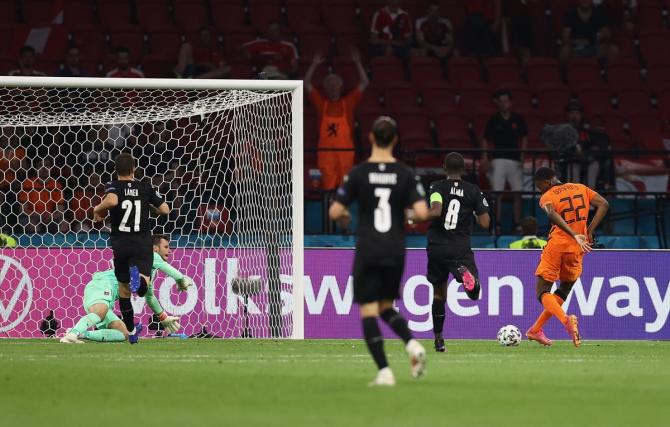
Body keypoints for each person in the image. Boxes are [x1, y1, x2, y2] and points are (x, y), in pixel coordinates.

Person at [328, 116, 430, 386]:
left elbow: (335, 210)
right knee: (386, 306)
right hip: (395, 248)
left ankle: (385, 372)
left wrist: (345, 217)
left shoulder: (358, 173)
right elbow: (421, 212)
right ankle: (412, 345)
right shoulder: (406, 173)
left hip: (369, 247)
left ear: (371, 138)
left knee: (369, 310)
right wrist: (403, 215)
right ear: (395, 140)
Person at [526, 167, 609, 347]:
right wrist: (588, 231)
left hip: (558, 245)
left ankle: (565, 320)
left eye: (539, 186)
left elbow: (551, 213)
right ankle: (535, 330)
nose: (540, 189)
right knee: (563, 289)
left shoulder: (547, 196)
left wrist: (572, 233)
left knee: (542, 291)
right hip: (578, 247)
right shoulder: (581, 188)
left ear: (547, 181)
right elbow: (604, 204)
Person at [93, 153, 169, 343]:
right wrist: (149, 208)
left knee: (123, 290)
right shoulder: (144, 186)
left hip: (121, 243)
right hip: (142, 243)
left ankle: (131, 331)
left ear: (116, 170)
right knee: (143, 289)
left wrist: (96, 210)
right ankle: (139, 281)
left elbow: (111, 201)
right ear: (134, 169)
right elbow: (165, 210)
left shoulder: (113, 186)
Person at [61, 234, 194, 344]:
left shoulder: (147, 271)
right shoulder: (152, 256)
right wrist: (181, 280)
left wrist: (163, 317)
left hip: (102, 292)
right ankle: (72, 334)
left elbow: (149, 297)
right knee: (100, 312)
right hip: (103, 285)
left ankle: (80, 333)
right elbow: (176, 274)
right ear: (155, 248)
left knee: (123, 333)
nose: (169, 251)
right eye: (165, 247)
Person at [425, 152, 490, 353]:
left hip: (436, 246)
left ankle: (439, 340)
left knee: (438, 294)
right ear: (463, 170)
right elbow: (485, 223)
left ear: (444, 167)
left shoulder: (436, 187)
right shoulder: (473, 191)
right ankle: (465, 274)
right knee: (474, 293)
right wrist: (472, 211)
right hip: (459, 247)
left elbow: (435, 210)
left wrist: (412, 217)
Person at [305, 49, 369, 191]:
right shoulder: (321, 104)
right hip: (326, 155)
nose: (333, 86)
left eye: (335, 84)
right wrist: (314, 64)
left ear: (340, 86)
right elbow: (307, 83)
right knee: (328, 191)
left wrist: (358, 63)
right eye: (329, 84)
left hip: (345, 153)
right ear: (325, 88)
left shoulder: (349, 102)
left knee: (345, 191)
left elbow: (365, 82)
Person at [481, 89, 528, 233]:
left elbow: (524, 137)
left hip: (515, 161)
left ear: (510, 102)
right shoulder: (493, 120)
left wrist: (522, 155)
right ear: (497, 103)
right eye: (501, 101)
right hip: (498, 160)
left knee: (517, 192)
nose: (503, 104)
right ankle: (497, 224)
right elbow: (485, 139)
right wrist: (485, 158)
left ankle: (517, 224)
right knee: (497, 193)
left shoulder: (518, 119)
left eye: (506, 101)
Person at [563, 100, 614, 191]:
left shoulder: (587, 131)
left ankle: (590, 199)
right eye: (571, 113)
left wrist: (589, 155)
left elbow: (597, 147)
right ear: (567, 115)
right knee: (573, 167)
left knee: (594, 165)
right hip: (572, 162)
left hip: (589, 161)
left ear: (581, 115)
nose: (574, 116)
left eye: (577, 113)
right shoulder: (563, 131)